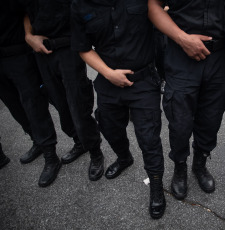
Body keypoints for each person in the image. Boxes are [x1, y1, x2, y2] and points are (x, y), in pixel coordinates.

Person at [71, 0, 165, 219]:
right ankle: (124, 158)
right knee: (110, 128)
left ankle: (156, 187)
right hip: (108, 81)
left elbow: (164, 12)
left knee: (149, 139)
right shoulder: (79, 5)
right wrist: (108, 73)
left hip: (143, 80)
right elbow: (83, 48)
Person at [148, 0, 225, 200]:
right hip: (181, 54)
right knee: (180, 121)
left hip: (220, 56)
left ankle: (199, 163)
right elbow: (153, 5)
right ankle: (180, 166)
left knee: (211, 119)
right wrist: (182, 38)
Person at [23, 0, 104, 181]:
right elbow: (25, 10)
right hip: (42, 51)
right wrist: (29, 36)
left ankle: (95, 152)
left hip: (69, 47)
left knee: (79, 107)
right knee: (62, 107)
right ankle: (79, 142)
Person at [0, 0, 60, 187]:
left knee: (33, 104)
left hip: (17, 52)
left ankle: (51, 155)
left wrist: (28, 35)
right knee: (14, 107)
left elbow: (27, 8)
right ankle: (37, 142)